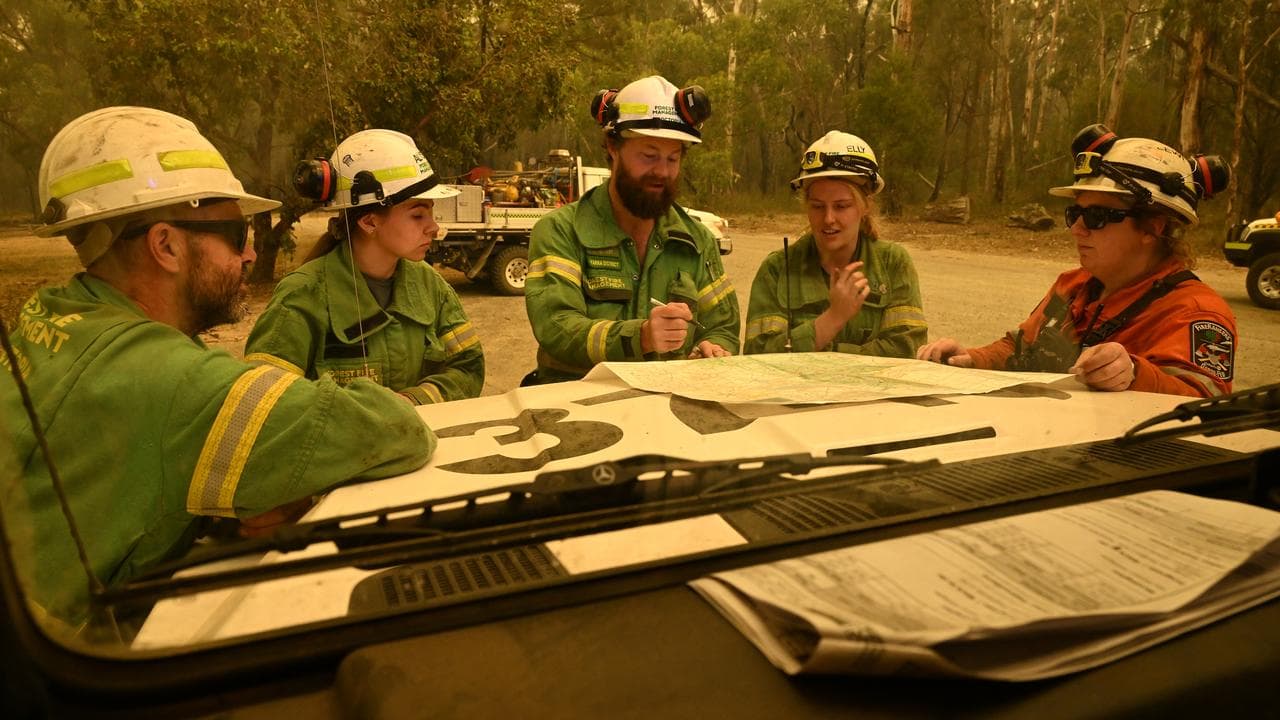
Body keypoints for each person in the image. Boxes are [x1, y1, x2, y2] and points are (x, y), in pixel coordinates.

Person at [0, 107, 434, 626]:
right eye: (235, 233)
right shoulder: (170, 378)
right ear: (165, 245)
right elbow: (396, 430)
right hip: (65, 660)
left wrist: (243, 499)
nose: (250, 254)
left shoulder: (50, 317)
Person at [917, 124, 1236, 398]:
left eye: (1096, 216)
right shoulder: (1073, 285)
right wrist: (970, 359)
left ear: (1153, 227)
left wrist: (1134, 374)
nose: (1077, 229)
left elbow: (1205, 402)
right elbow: (1020, 349)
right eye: (1075, 213)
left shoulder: (1196, 312)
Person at [523, 75, 740, 384]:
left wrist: (713, 348)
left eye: (673, 158)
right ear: (613, 147)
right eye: (649, 156)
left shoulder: (698, 241)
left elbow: (723, 327)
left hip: (665, 405)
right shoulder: (560, 231)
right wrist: (641, 337)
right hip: (579, 404)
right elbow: (556, 326)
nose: (662, 172)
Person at [245, 130, 483, 404]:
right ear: (369, 222)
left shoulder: (430, 286)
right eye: (418, 215)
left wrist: (415, 400)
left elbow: (468, 366)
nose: (433, 227)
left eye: (431, 213)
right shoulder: (301, 296)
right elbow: (264, 400)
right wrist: (358, 416)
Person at [744, 131, 926, 356]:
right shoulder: (777, 269)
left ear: (865, 206)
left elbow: (906, 349)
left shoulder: (892, 263)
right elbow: (758, 355)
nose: (828, 218)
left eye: (841, 206)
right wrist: (833, 318)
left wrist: (824, 351)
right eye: (818, 206)